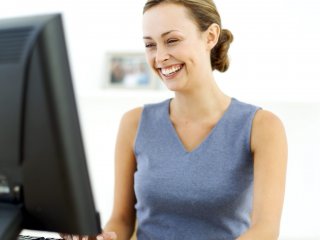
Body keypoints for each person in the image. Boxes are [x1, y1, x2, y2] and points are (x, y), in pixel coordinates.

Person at [61, 0, 288, 239]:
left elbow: (265, 229)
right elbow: (122, 219)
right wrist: (103, 237)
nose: (160, 57)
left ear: (210, 36)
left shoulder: (262, 127)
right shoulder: (134, 123)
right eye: (150, 45)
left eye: (172, 40)